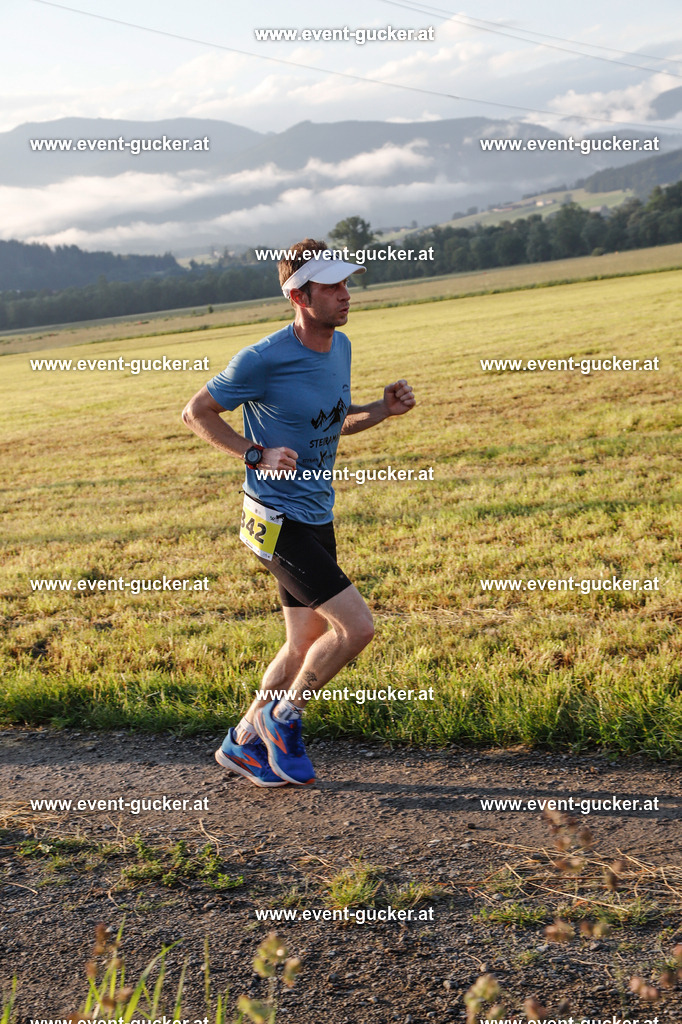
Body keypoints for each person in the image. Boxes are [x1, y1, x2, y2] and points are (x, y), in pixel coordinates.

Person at [182, 238, 415, 787]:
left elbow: (332, 423)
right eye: (331, 286)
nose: (345, 294)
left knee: (303, 641)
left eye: (346, 283)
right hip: (273, 517)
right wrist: (254, 453)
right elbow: (195, 413)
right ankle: (282, 717)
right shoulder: (262, 359)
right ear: (299, 295)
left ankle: (241, 744)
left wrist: (381, 409)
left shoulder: (341, 347)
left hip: (315, 513)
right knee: (356, 629)